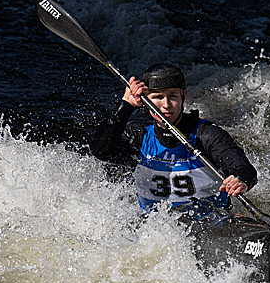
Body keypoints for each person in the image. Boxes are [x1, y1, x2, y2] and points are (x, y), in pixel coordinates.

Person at [89, 62, 258, 212]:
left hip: (211, 221)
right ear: (145, 99)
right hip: (155, 229)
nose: (166, 105)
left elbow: (242, 168)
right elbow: (101, 151)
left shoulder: (207, 135)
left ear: (183, 96)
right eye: (157, 97)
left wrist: (240, 180)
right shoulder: (140, 137)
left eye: (172, 96)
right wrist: (126, 105)